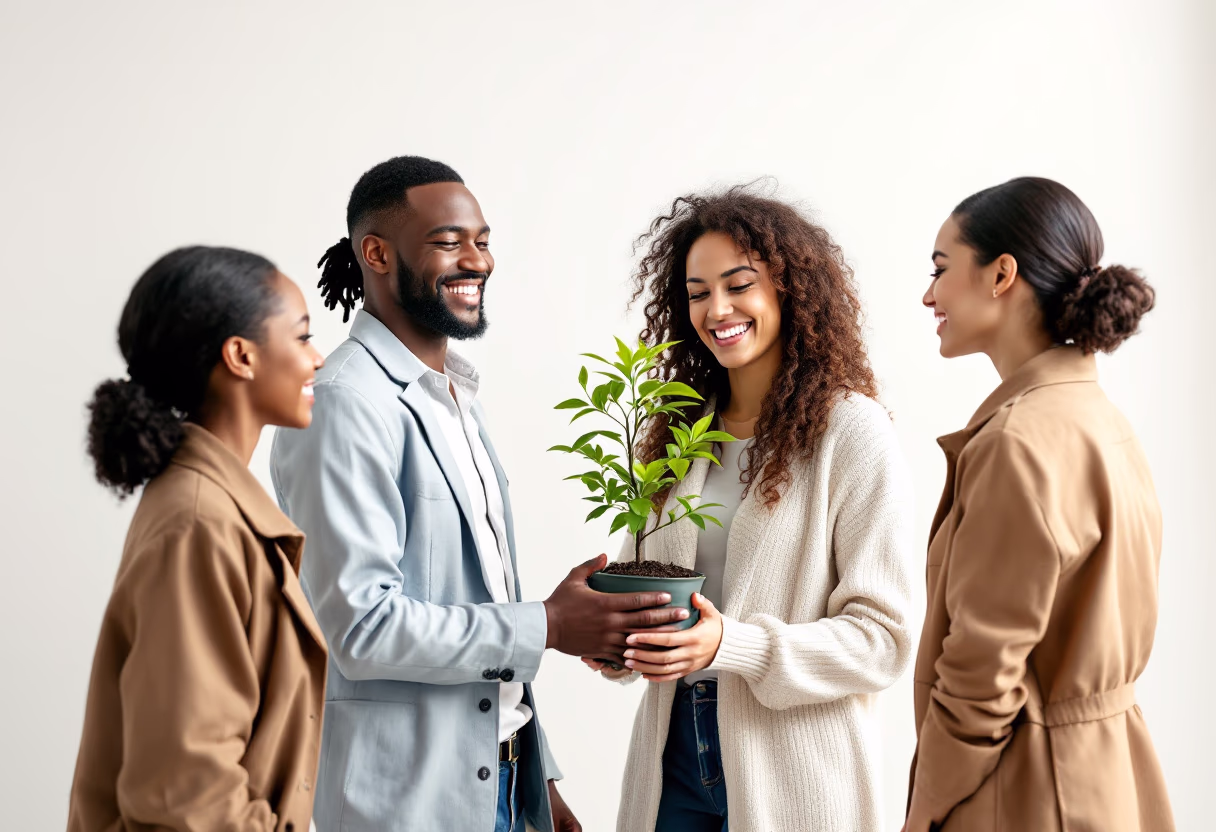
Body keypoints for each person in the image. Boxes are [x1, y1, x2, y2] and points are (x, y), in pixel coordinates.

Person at [271, 156, 685, 832]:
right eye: (448, 242)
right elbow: (361, 629)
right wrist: (550, 624)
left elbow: (474, 603)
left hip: (504, 776)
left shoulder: (456, 395)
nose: (478, 261)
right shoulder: (344, 405)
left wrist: (537, 777)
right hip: (408, 803)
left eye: (483, 240)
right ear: (376, 253)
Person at [585, 186, 915, 831]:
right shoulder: (677, 433)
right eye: (699, 291)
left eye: (739, 285)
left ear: (789, 291)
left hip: (796, 775)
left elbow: (884, 641)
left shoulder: (852, 433)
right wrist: (613, 640)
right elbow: (646, 591)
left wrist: (728, 646)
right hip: (670, 757)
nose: (718, 308)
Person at [904, 177, 1173, 831]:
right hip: (1111, 781)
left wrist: (924, 809)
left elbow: (979, 680)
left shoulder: (1016, 443)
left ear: (1001, 274)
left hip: (1025, 795)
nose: (928, 294)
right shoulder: (1101, 419)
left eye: (941, 269)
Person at [67, 246, 328, 831]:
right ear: (241, 355)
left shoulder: (212, 509)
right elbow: (188, 792)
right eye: (303, 336)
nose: (317, 358)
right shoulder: (199, 524)